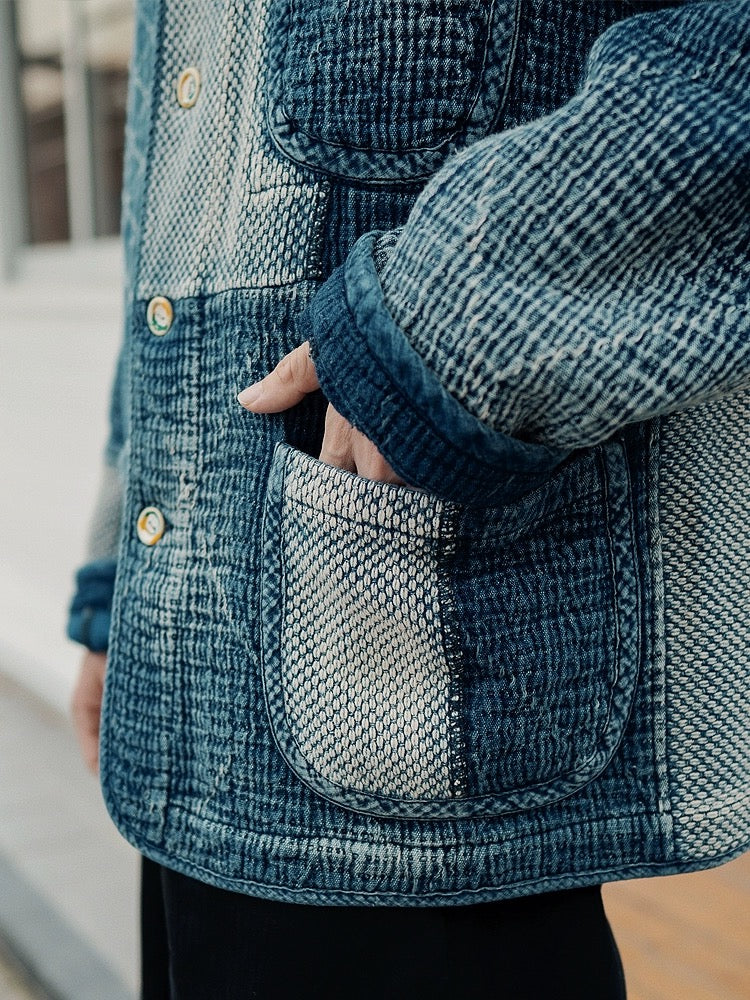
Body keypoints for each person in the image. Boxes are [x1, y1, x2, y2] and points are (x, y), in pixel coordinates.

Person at [68, 0, 750, 996]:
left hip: (428, 698)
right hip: (189, 680)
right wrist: (113, 571)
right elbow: (176, 193)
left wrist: (437, 331)